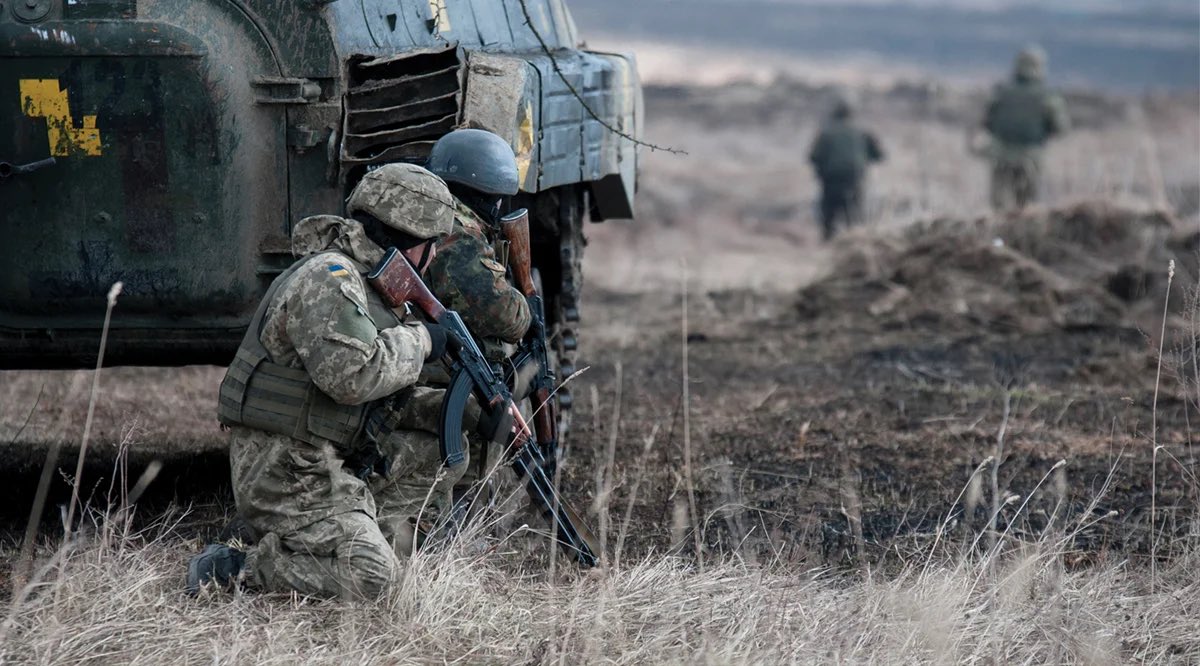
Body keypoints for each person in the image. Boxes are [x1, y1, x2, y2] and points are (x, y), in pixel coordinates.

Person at [186, 163, 458, 599]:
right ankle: (237, 568)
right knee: (376, 580)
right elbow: (353, 378)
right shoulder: (330, 279)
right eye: (433, 245)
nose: (435, 257)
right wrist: (423, 339)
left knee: (445, 450)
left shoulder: (370, 284)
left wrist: (462, 410)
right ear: (413, 242)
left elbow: (386, 396)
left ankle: (360, 534)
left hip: (325, 454)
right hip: (285, 469)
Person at [982, 45, 1070, 212]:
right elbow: (1061, 128)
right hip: (1030, 157)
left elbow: (987, 121)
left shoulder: (1001, 92)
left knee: (998, 209)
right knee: (1027, 209)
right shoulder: (1047, 96)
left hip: (1001, 155)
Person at [808, 98, 884, 241]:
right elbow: (879, 155)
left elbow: (813, 156)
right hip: (854, 179)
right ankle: (855, 246)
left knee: (829, 218)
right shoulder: (862, 132)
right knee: (854, 217)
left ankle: (828, 246)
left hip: (830, 181)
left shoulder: (826, 132)